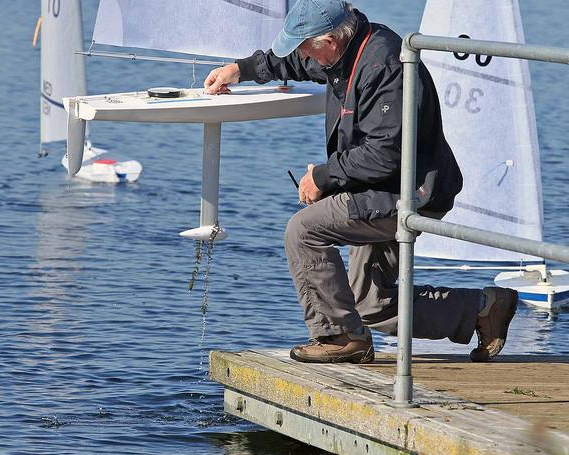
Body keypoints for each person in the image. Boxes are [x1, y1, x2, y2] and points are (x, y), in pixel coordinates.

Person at [204, 0, 518, 364]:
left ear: (331, 41)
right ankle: (481, 309)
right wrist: (239, 70)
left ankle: (338, 337)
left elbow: (386, 154)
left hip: (407, 192)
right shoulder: (342, 51)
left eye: (306, 45)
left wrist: (322, 177)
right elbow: (292, 60)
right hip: (381, 186)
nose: (304, 55)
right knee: (369, 304)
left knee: (303, 230)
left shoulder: (385, 66)